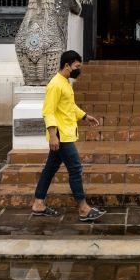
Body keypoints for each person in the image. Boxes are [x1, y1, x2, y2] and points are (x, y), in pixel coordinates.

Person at [31, 50, 106, 222]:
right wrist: (52, 135)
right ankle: (83, 208)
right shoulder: (55, 84)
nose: (78, 70)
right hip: (61, 136)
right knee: (75, 169)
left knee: (49, 170)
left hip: (66, 133)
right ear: (67, 65)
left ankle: (38, 203)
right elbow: (48, 111)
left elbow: (70, 107)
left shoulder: (65, 83)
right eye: (77, 66)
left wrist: (85, 116)